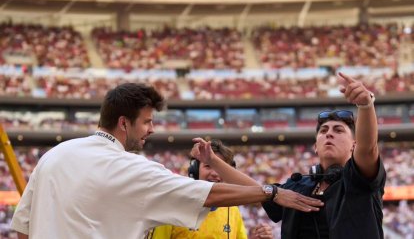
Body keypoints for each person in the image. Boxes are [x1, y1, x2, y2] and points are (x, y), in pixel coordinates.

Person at [11, 83, 323, 239]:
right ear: (124, 123)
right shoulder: (131, 168)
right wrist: (270, 192)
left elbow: (23, 230)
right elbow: (208, 194)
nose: (152, 129)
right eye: (146, 121)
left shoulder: (53, 156)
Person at [190, 72, 386, 239]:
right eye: (323, 130)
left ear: (354, 145)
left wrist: (366, 106)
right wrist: (212, 161)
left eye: (339, 130)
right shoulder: (301, 185)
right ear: (315, 147)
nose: (329, 133)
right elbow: (258, 192)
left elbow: (368, 149)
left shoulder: (359, 180)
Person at [151, 139, 273, 239]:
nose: (215, 173)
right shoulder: (172, 206)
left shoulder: (233, 210)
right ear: (194, 171)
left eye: (220, 167)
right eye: (208, 166)